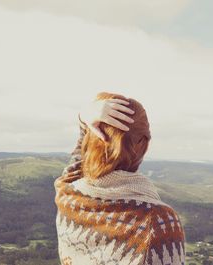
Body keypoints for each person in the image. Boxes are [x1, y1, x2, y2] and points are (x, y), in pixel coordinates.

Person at [54, 92, 186, 265]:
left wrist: (83, 118)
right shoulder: (157, 221)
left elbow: (78, 161)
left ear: (91, 140)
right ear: (143, 144)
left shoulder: (68, 194)